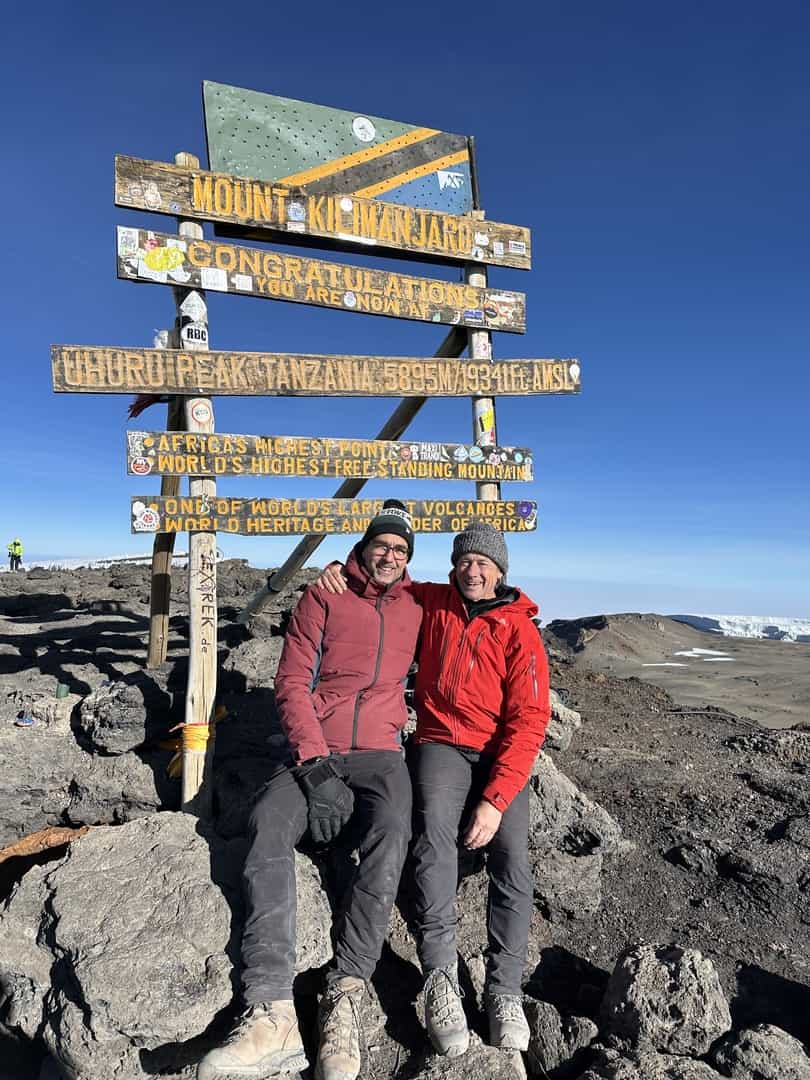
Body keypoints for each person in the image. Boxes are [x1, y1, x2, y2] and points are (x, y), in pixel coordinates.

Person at [198, 501, 422, 1080]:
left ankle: (346, 988)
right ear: (364, 546)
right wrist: (314, 764)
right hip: (316, 745)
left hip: (379, 751)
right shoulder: (324, 595)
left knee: (394, 826)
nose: (390, 556)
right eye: (383, 545)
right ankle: (271, 1006)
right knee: (269, 820)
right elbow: (292, 680)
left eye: (401, 550)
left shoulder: (420, 605)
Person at [318, 521, 550, 1058]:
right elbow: (381, 581)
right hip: (442, 741)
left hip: (498, 754)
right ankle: (441, 975)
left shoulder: (520, 629)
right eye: (465, 561)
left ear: (500, 572)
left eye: (483, 564)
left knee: (513, 857)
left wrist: (495, 801)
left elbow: (531, 718)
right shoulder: (433, 600)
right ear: (454, 566)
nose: (473, 571)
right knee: (434, 840)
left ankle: (504, 990)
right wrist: (339, 569)